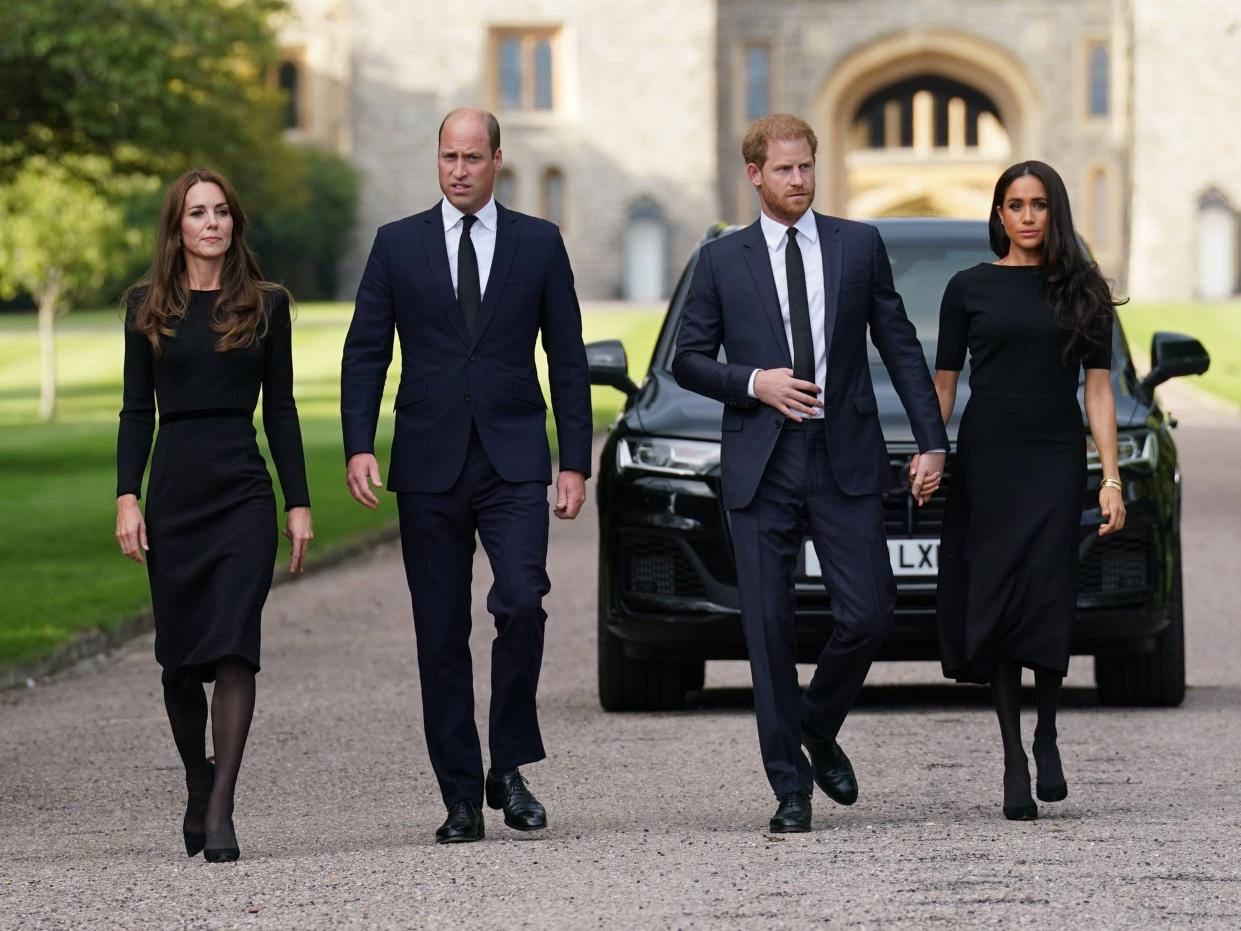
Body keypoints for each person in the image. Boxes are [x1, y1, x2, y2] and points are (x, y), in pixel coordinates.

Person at [672, 114, 948, 833]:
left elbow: (900, 343)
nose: (798, 180)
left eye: (806, 167)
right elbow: (687, 358)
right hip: (761, 460)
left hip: (842, 453)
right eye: (784, 169)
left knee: (869, 610)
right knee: (767, 628)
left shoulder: (857, 244)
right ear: (755, 175)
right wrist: (753, 381)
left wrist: (931, 438)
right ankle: (789, 788)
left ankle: (815, 722)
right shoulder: (720, 260)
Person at [340, 108, 592, 844]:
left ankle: (507, 766)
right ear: (437, 160)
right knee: (439, 631)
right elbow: (365, 354)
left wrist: (572, 459)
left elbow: (568, 359)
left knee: (520, 603)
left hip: (514, 459)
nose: (458, 169)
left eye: (472, 157)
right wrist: (360, 443)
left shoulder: (539, 243)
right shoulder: (396, 246)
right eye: (448, 156)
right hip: (427, 462)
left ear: (497, 161)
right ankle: (458, 794)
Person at [115, 168, 313, 861]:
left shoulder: (265, 304)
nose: (210, 223)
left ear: (235, 224)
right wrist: (126, 495)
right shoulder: (146, 306)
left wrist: (297, 502)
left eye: (221, 212)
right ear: (176, 227)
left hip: (242, 495)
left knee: (234, 648)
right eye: (197, 213)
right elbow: (137, 410)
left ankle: (222, 805)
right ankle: (196, 782)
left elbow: (282, 410)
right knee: (177, 665)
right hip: (174, 493)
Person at [933, 160, 1126, 821]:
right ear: (997, 214)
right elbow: (944, 382)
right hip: (988, 456)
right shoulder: (966, 288)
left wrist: (1109, 477)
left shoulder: (1082, 290)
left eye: (1037, 204)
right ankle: (1012, 753)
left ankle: (1046, 731)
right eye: (1012, 204)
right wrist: (933, 450)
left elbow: (1098, 389)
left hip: (1053, 454)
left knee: (1046, 589)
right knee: (996, 592)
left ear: (1053, 212)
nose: (1024, 215)